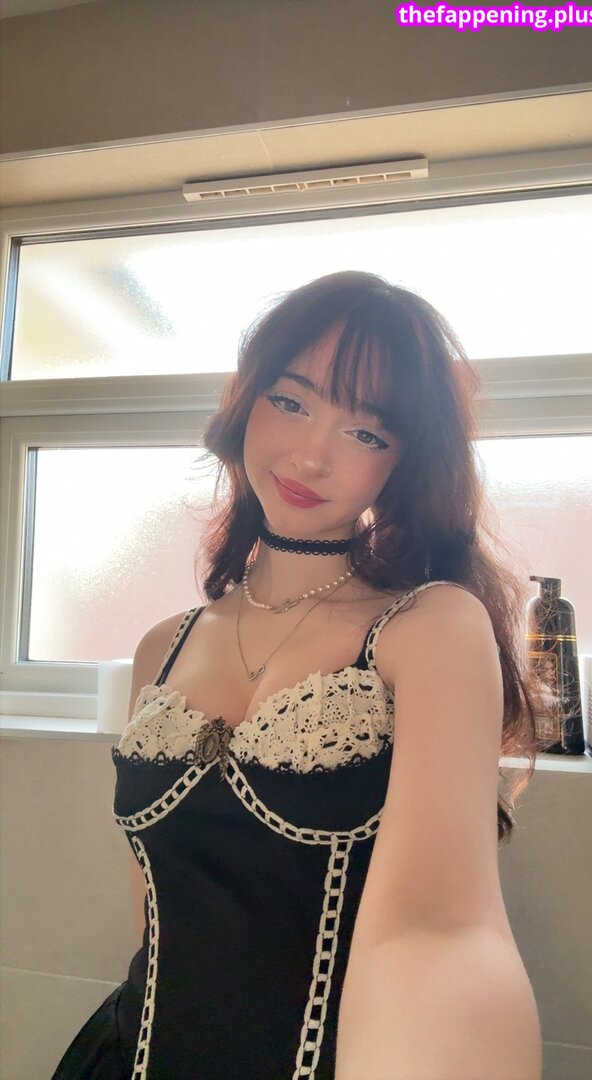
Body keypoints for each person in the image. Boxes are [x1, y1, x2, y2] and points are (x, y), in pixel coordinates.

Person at [51, 270, 548, 1080]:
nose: (312, 455)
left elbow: (443, 931)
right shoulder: (161, 647)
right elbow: (153, 917)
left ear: (404, 461)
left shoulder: (429, 628)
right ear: (245, 398)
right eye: (290, 401)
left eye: (367, 434)